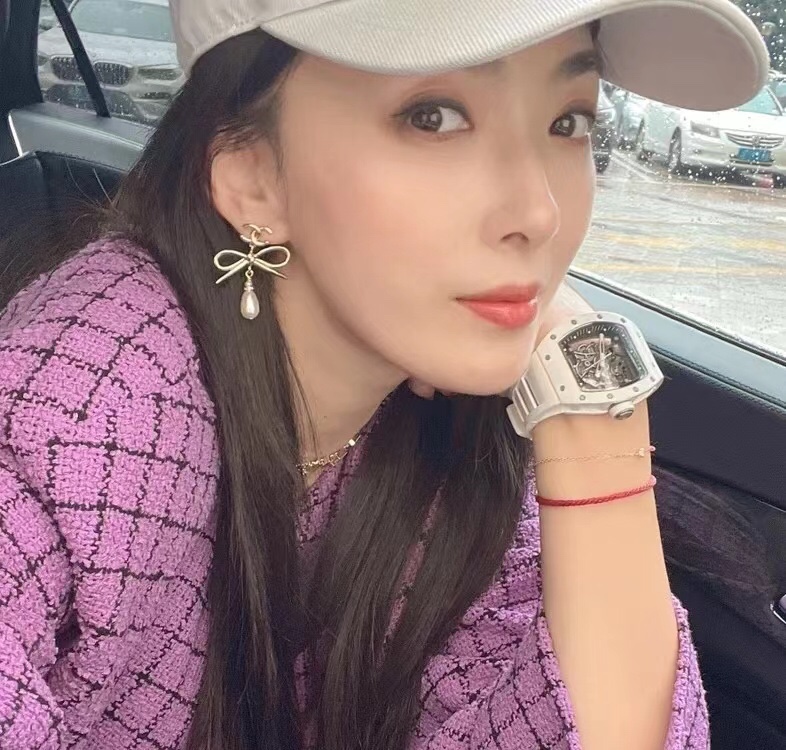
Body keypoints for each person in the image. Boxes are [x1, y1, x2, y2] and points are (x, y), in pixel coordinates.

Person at [0, 0, 770, 748]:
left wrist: (590, 396)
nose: (538, 212)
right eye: (434, 117)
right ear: (253, 177)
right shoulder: (74, 413)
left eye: (568, 122)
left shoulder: (441, 416)